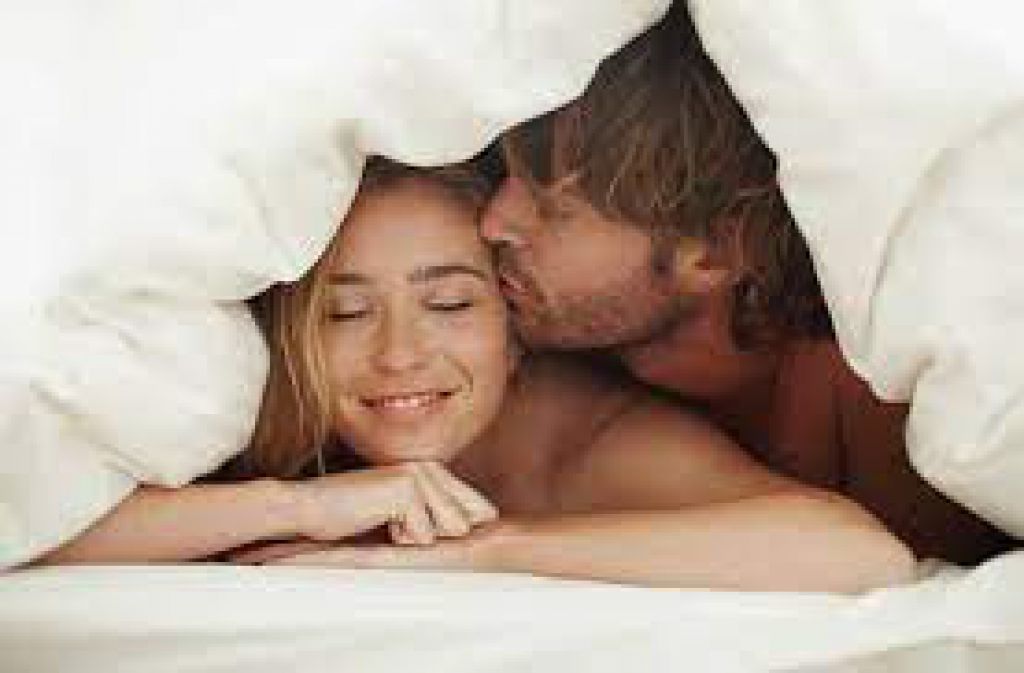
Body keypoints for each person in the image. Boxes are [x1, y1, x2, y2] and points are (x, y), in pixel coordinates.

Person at [40, 156, 914, 593]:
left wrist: (490, 548)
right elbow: (34, 530)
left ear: (514, 328)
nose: (399, 353)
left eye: (450, 303)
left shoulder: (573, 433)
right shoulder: (253, 406)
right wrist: (297, 504)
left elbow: (856, 551)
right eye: (346, 312)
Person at [478, 2, 1016, 565]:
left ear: (711, 255)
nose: (492, 222)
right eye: (507, 177)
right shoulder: (516, 361)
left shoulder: (876, 393)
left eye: (552, 210)